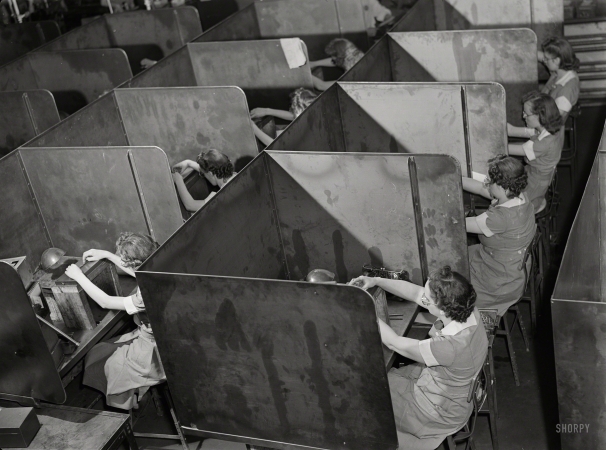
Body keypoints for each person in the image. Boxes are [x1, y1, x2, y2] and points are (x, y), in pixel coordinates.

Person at [349, 266, 488, 449]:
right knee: (383, 379)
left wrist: (361, 304)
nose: (423, 299)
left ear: (444, 310)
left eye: (428, 300)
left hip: (437, 413)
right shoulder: (468, 311)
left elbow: (393, 343)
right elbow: (417, 293)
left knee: (361, 394)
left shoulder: (450, 346)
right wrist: (376, 281)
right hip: (452, 393)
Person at [65, 232, 165, 410]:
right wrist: (107, 255)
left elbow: (105, 302)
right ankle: (137, 391)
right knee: (99, 352)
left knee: (109, 366)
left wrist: (78, 276)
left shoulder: (144, 295)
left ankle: (130, 403)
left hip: (156, 351)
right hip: (161, 335)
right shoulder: (160, 264)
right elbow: (138, 271)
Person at [463, 155, 537, 316]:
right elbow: (482, 188)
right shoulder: (520, 196)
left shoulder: (499, 218)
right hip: (511, 269)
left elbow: (458, 224)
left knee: (451, 283)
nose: (486, 184)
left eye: (490, 182)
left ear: (504, 187)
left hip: (497, 282)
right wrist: (456, 178)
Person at [508, 91, 563, 211]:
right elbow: (518, 131)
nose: (523, 116)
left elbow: (506, 148)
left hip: (534, 184)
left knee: (510, 206)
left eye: (526, 114)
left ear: (540, 116)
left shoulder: (544, 143)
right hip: (534, 174)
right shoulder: (549, 128)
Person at [171, 149, 236, 213]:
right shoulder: (234, 175)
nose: (203, 175)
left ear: (210, 173)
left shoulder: (220, 195)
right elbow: (213, 170)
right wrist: (188, 163)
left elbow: (190, 205)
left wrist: (178, 180)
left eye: (203, 174)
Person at [250, 87, 318, 146]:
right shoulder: (317, 110)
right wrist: (267, 111)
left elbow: (275, 146)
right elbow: (296, 116)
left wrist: (254, 128)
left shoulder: (306, 132)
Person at [538, 37, 580, 120]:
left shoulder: (567, 89)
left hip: (548, 129)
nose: (544, 60)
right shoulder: (560, 71)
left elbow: (553, 121)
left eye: (546, 59)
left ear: (557, 61)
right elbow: (539, 56)